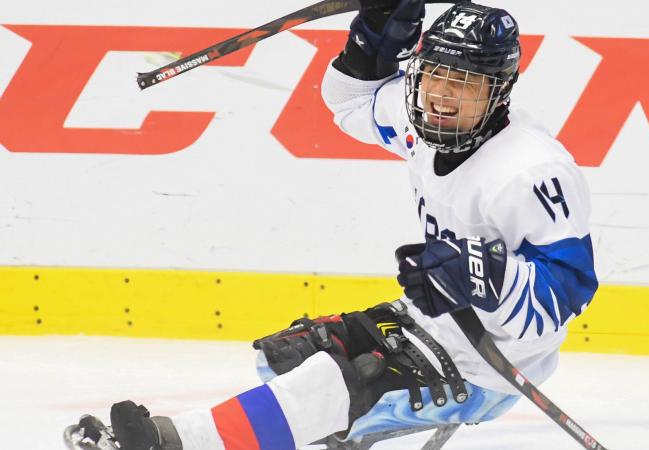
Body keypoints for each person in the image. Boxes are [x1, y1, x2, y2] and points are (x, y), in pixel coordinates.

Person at [78, 1, 598, 449]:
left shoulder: (532, 170)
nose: (441, 93)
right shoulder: (424, 121)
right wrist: (378, 34)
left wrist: (482, 275)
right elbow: (352, 102)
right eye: (434, 74)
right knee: (285, 357)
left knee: (335, 384)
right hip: (425, 319)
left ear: (499, 89)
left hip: (492, 361)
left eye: (463, 83)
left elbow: (567, 289)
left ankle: (176, 441)